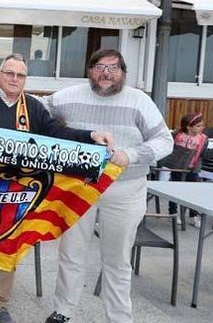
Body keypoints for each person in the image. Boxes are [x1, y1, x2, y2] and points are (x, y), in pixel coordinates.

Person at [0, 54, 112, 323]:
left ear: (25, 80)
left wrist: (89, 136)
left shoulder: (32, 106)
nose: (14, 79)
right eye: (9, 73)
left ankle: (1, 302)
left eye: (20, 76)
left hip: (17, 190)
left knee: (8, 241)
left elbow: (57, 133)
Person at [44, 49, 172, 323]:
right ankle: (63, 311)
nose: (106, 73)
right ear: (90, 70)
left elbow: (165, 141)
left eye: (113, 68)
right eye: (100, 66)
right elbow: (36, 110)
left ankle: (119, 317)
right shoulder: (68, 96)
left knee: (117, 259)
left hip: (125, 189)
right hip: (79, 185)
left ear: (123, 73)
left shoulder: (140, 101)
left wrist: (131, 155)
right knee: (71, 253)